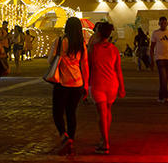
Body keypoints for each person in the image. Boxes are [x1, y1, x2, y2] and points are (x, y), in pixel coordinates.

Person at [49, 17, 89, 155]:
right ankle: (71, 139)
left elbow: (50, 60)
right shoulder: (81, 44)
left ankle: (63, 135)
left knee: (57, 112)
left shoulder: (60, 41)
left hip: (62, 82)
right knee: (71, 113)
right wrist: (86, 84)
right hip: (77, 82)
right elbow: (85, 65)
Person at [89, 22, 125, 154]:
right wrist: (122, 87)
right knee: (107, 111)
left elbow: (88, 63)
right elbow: (118, 70)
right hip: (112, 84)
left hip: (98, 83)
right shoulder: (114, 49)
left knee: (101, 114)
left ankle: (105, 142)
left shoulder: (94, 48)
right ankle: (104, 138)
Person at [150, 16, 168, 103]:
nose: (163, 25)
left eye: (164, 23)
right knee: (163, 77)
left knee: (165, 79)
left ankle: (160, 97)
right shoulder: (155, 33)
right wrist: (152, 59)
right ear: (159, 24)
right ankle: (166, 97)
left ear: (167, 24)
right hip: (159, 58)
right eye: (161, 23)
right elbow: (152, 47)